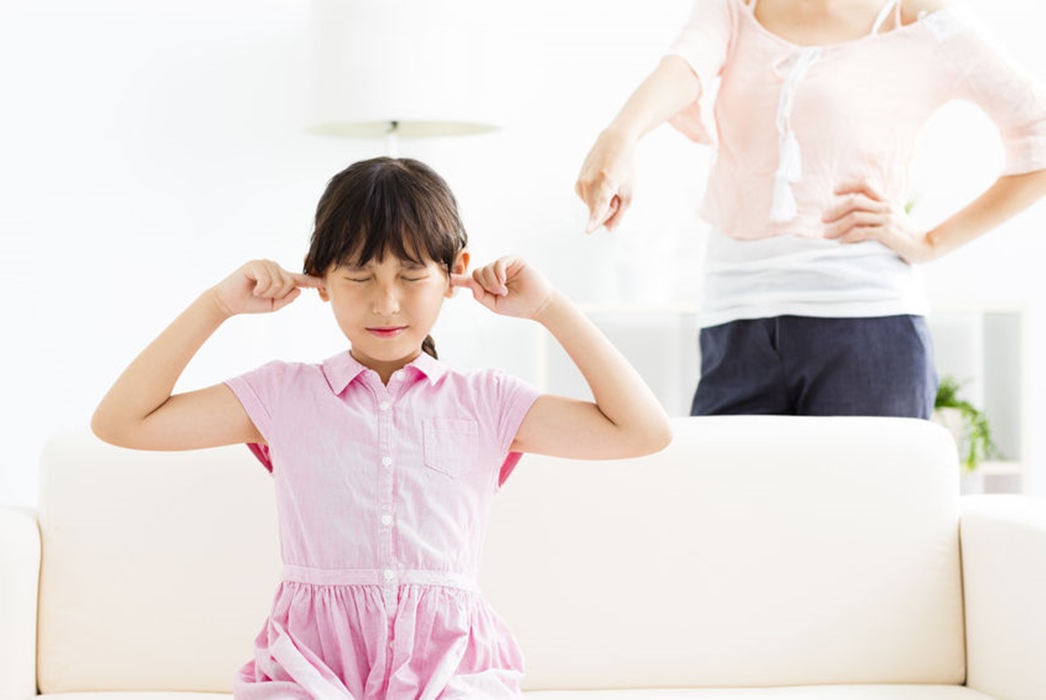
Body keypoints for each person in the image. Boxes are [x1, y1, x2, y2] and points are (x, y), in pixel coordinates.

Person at [91, 157, 671, 699]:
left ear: (454, 274)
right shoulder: (283, 396)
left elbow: (642, 431)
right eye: (359, 276)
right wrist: (218, 304)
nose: (386, 303)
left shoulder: (486, 402)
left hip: (452, 673)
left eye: (412, 275)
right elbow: (123, 421)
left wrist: (548, 308)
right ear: (319, 278)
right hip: (310, 670)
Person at [575, 0, 1046, 418]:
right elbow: (686, 64)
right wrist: (621, 134)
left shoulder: (918, 18)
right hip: (734, 321)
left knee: (868, 496)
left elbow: (1037, 137)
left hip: (866, 324)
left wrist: (930, 243)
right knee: (726, 491)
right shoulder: (736, 8)